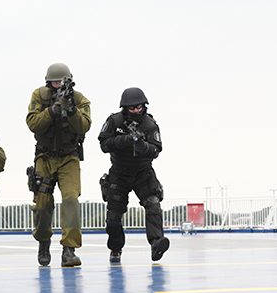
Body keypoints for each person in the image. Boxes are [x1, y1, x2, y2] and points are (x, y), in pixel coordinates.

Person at [26, 63, 91, 267]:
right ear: (48, 82)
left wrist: (71, 110)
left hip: (69, 157)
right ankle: (44, 242)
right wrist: (53, 110)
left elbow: (85, 125)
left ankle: (69, 249)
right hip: (45, 157)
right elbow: (32, 123)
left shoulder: (80, 100)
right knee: (43, 203)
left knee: (71, 200)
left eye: (62, 82)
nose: (58, 85)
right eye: (55, 82)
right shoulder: (39, 96)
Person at [98, 87, 169, 263]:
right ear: (125, 108)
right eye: (132, 108)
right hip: (119, 173)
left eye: (139, 107)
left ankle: (156, 243)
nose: (136, 111)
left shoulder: (150, 125)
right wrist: (124, 140)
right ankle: (115, 248)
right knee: (113, 216)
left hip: (143, 172)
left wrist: (143, 147)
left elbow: (156, 150)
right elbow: (104, 144)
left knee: (153, 204)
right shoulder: (114, 121)